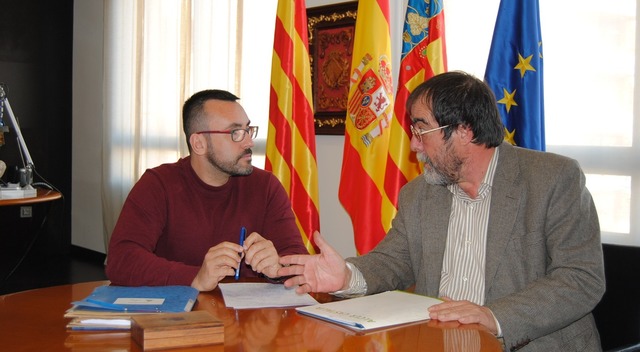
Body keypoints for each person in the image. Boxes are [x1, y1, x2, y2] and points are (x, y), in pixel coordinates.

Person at [278, 71, 605, 351]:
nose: (414, 145)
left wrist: (492, 316)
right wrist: (347, 276)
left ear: (464, 131)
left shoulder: (552, 179)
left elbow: (580, 278)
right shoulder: (419, 194)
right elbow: (393, 261)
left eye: (421, 130)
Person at [106, 89, 308, 291]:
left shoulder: (266, 186)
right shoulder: (158, 185)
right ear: (199, 143)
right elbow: (121, 260)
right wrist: (195, 277)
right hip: (180, 317)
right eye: (235, 133)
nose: (249, 142)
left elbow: (298, 260)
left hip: (246, 317)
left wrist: (278, 266)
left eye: (248, 130)